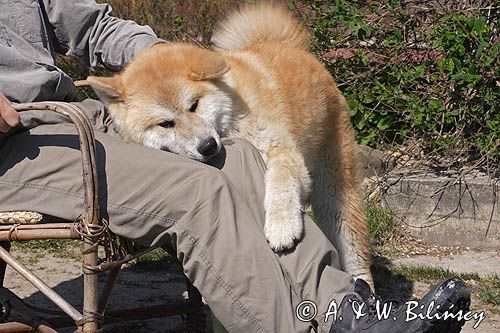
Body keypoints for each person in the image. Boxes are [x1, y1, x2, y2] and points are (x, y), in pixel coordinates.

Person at [0, 1, 471, 332]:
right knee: (193, 190)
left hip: (78, 112)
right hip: (16, 142)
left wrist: (169, 58)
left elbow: (94, 29)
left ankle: (347, 311)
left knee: (245, 157)